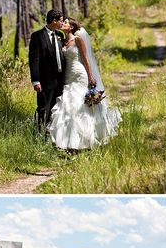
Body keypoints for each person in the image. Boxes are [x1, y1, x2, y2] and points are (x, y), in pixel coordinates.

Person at [48, 18, 121, 150]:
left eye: (65, 22)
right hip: (68, 76)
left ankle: (86, 140)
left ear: (71, 27)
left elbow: (86, 58)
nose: (62, 24)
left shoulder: (78, 39)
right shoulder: (62, 41)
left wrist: (91, 76)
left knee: (79, 104)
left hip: (80, 74)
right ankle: (69, 141)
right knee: (68, 105)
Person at [28, 9, 65, 131]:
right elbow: (34, 60)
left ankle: (53, 135)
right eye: (61, 20)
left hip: (60, 80)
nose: (62, 23)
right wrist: (35, 81)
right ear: (54, 21)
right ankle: (39, 135)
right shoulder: (37, 36)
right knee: (44, 109)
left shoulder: (60, 36)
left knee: (57, 109)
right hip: (45, 81)